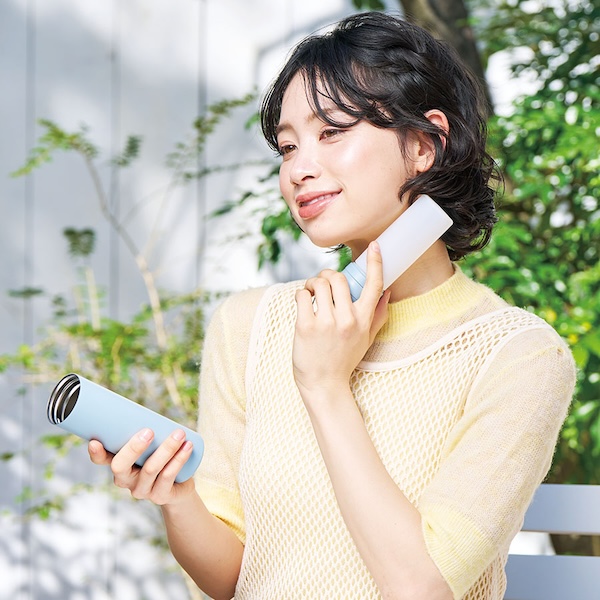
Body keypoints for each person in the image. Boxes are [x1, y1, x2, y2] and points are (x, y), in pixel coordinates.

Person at [88, 11, 576, 600]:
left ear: (424, 144)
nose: (299, 168)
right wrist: (178, 498)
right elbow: (232, 579)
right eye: (287, 146)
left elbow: (421, 589)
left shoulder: (519, 356)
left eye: (333, 132)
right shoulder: (248, 326)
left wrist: (324, 385)